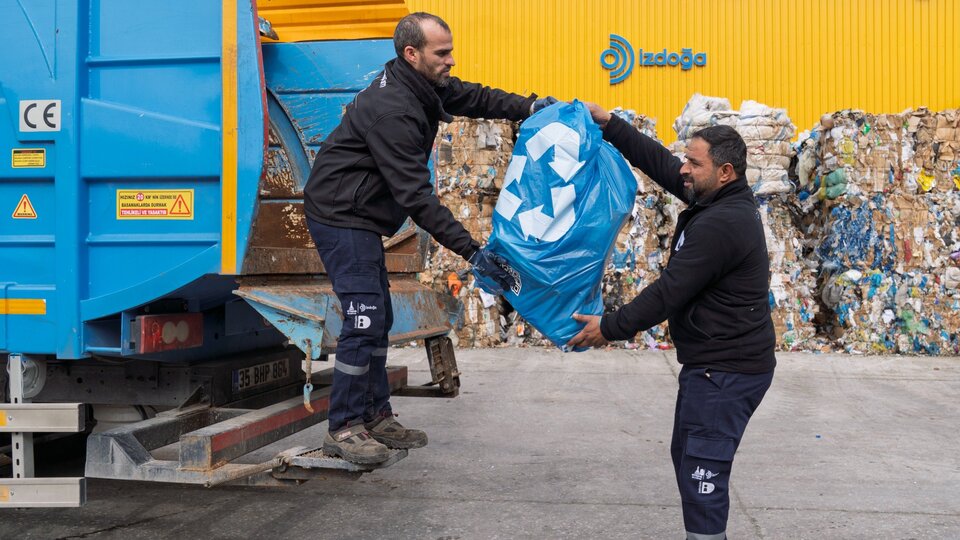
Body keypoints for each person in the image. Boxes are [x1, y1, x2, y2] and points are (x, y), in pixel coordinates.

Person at [303, 12, 557, 464]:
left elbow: (476, 97)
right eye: (443, 53)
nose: (451, 60)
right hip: (341, 215)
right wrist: (474, 251)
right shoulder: (393, 110)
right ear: (412, 53)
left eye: (450, 50)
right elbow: (417, 199)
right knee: (363, 317)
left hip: (360, 212)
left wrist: (533, 106)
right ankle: (343, 428)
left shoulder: (420, 85)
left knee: (376, 318)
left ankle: (376, 416)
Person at [568, 103, 776, 540]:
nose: (684, 168)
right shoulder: (716, 198)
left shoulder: (723, 223)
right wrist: (611, 126)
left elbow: (669, 291)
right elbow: (663, 166)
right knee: (688, 456)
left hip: (727, 371)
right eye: (686, 157)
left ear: (724, 172)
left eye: (694, 163)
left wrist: (608, 327)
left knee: (703, 473)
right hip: (711, 365)